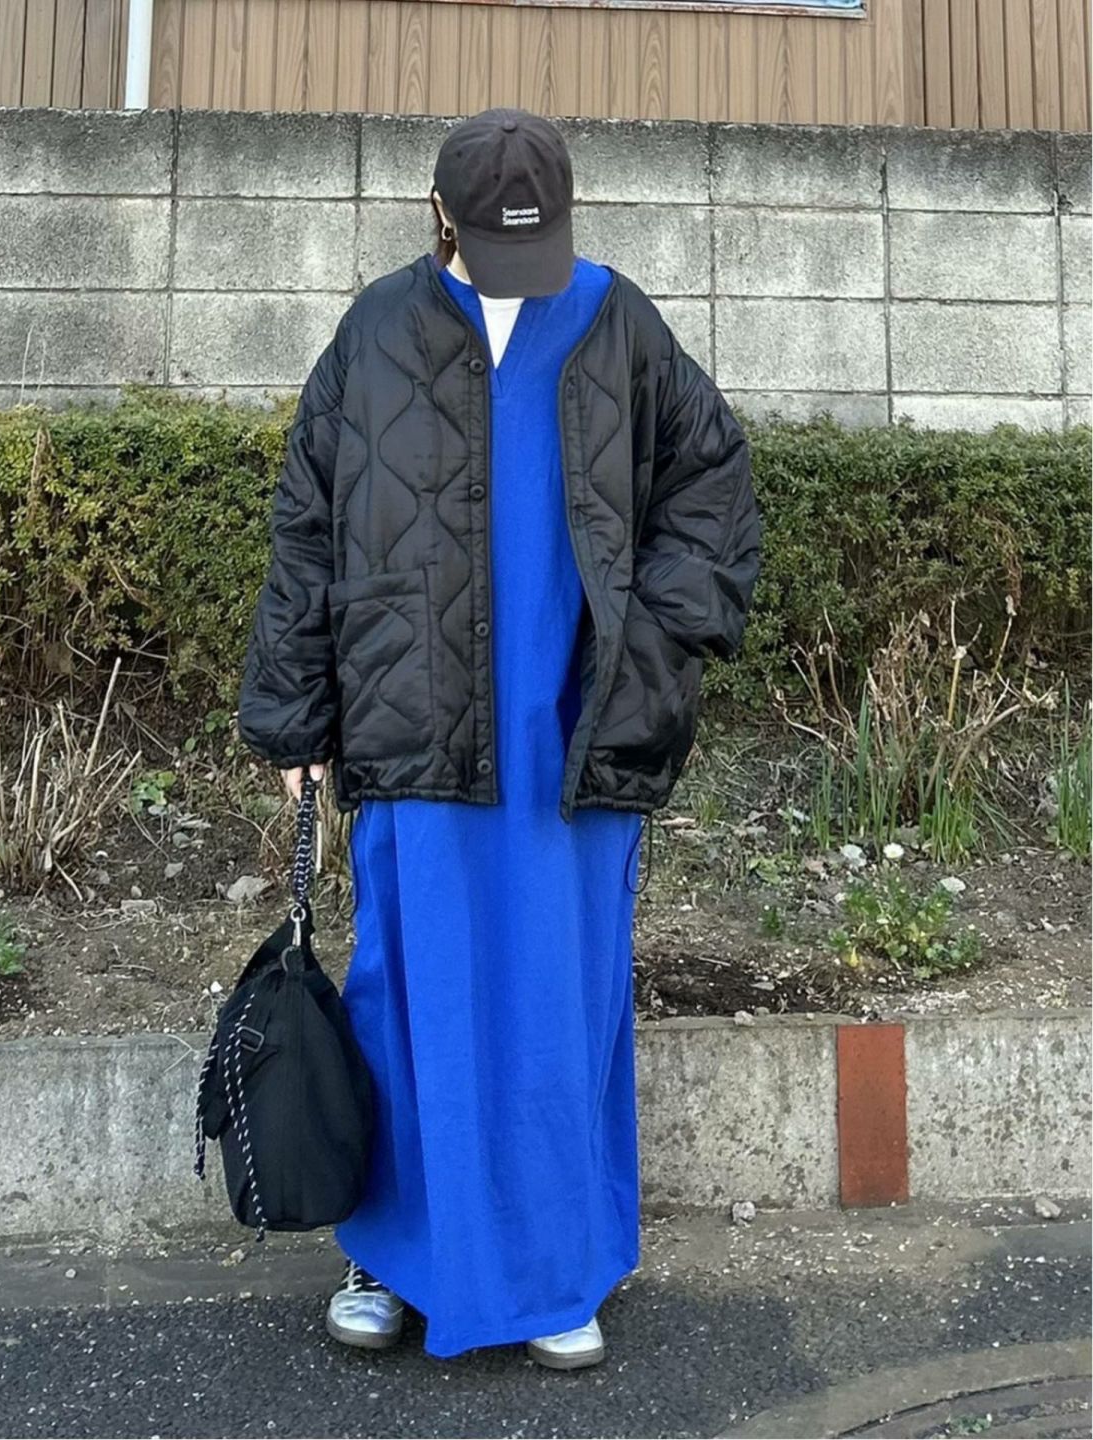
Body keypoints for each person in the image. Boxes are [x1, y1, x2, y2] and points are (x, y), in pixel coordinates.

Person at [236, 107, 762, 1368]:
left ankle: (555, 1270)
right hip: (413, 729)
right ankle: (391, 1253)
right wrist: (295, 714)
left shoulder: (619, 322)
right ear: (441, 217)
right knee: (408, 996)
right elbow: (307, 527)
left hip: (574, 742)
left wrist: (658, 644)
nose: (526, 269)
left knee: (557, 1003)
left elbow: (715, 485)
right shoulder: (374, 332)